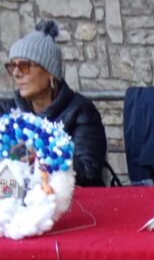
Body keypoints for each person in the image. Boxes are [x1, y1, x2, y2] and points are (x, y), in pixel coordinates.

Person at [1, 20, 107, 186]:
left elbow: (89, 171)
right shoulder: (6, 110)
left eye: (24, 66)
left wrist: (39, 155)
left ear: (50, 73)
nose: (16, 73)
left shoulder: (80, 110)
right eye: (12, 66)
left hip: (72, 203)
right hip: (15, 203)